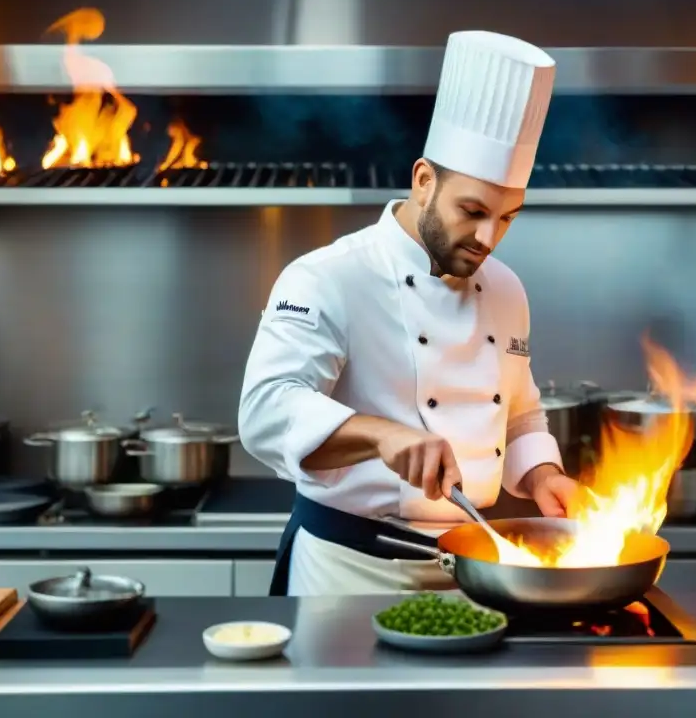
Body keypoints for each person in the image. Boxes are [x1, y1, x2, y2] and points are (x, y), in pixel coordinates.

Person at [238, 30, 578, 596]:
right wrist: (380, 436)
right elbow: (265, 412)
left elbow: (520, 414)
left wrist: (545, 475)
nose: (488, 238)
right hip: (350, 573)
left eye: (509, 217)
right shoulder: (328, 276)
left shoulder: (507, 289)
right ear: (424, 181)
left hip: (475, 573)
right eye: (472, 211)